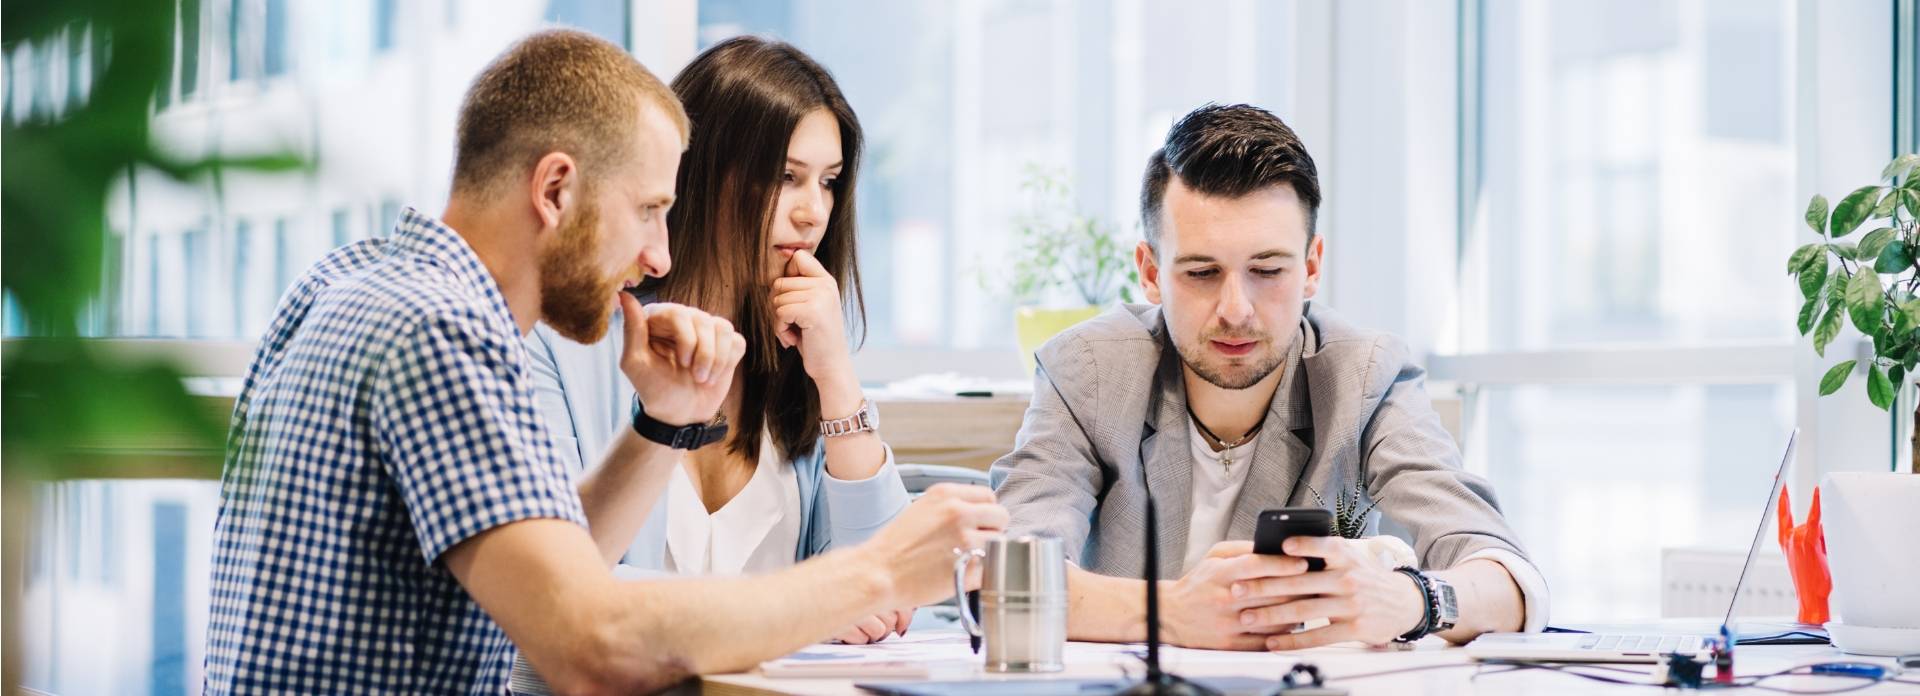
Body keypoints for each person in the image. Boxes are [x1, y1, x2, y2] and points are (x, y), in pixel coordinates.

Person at [203, 30, 1005, 695]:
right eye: (650, 210)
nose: (659, 254)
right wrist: (878, 574)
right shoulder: (444, 333)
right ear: (556, 190)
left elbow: (559, 573)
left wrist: (663, 424)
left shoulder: (346, 281)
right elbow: (588, 646)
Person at [992, 103, 1548, 652]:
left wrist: (1412, 600)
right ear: (1151, 272)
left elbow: (1511, 584)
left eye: (1267, 270)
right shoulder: (1086, 371)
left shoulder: (1366, 376)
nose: (1236, 310)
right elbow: (1003, 576)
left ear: (1311, 267)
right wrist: (1171, 612)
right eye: (1202, 272)